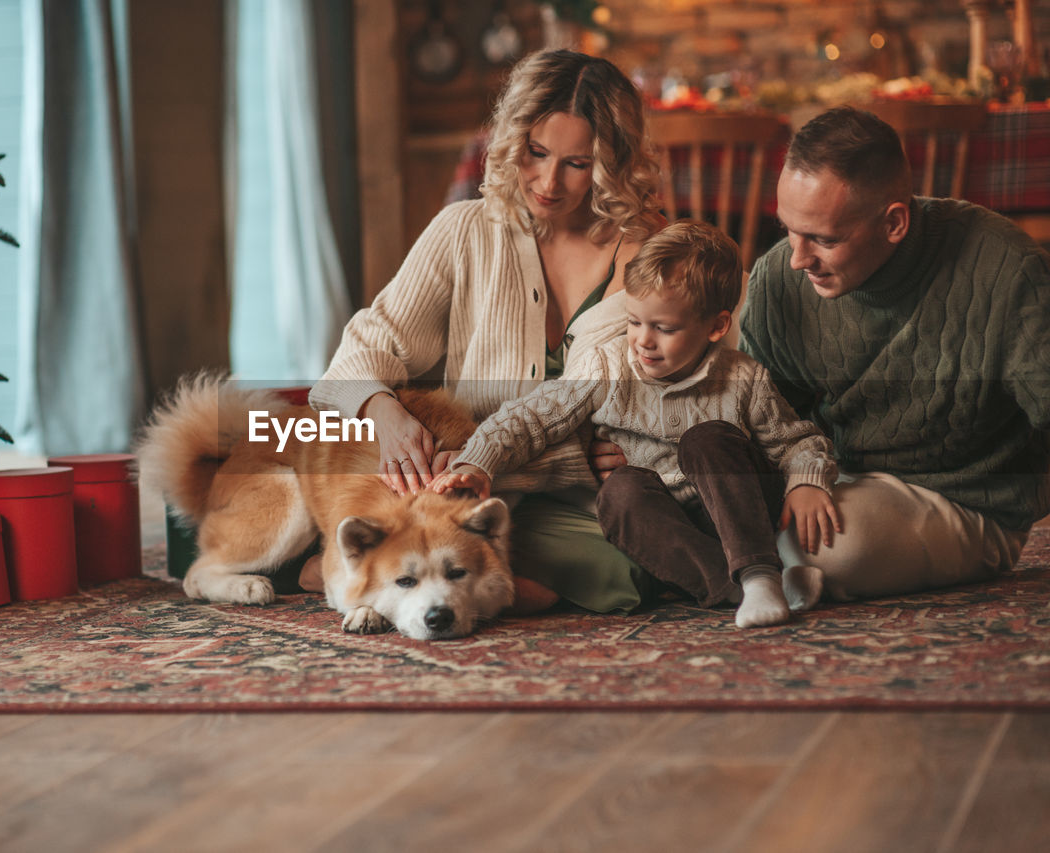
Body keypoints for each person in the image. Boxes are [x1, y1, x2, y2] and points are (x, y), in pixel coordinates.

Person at [307, 49, 666, 613]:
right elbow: (358, 354)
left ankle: (347, 570)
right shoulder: (463, 230)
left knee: (640, 567)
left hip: (576, 495)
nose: (548, 181)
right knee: (606, 578)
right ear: (510, 139)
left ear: (611, 163)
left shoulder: (651, 253)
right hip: (463, 496)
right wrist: (384, 412)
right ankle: (359, 570)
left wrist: (619, 452)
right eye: (536, 152)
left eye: (577, 163)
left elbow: (655, 403)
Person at [432, 221, 837, 627]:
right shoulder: (606, 366)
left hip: (739, 508)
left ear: (716, 326)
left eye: (663, 328)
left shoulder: (742, 378)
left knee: (706, 438)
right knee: (620, 490)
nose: (643, 340)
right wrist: (478, 462)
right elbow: (530, 416)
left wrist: (806, 479)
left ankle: (759, 573)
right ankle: (747, 589)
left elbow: (796, 441)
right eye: (634, 321)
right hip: (668, 528)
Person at [739, 105, 1050, 601]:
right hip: (827, 475)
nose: (798, 259)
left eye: (823, 239)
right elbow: (760, 415)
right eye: (788, 231)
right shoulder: (779, 277)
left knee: (836, 544)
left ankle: (757, 567)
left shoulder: (1008, 270)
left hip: (963, 499)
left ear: (894, 223)